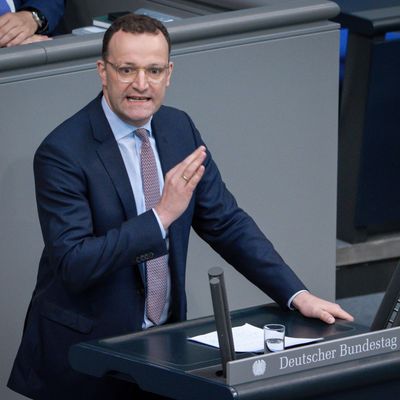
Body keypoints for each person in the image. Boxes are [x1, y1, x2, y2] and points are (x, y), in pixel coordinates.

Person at [8, 13, 353, 400]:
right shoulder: (62, 152)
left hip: (160, 350)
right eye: (127, 70)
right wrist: (161, 216)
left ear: (169, 73)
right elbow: (74, 264)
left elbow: (226, 222)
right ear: (102, 72)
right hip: (83, 359)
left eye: (154, 71)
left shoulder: (178, 128)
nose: (142, 84)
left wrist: (296, 295)